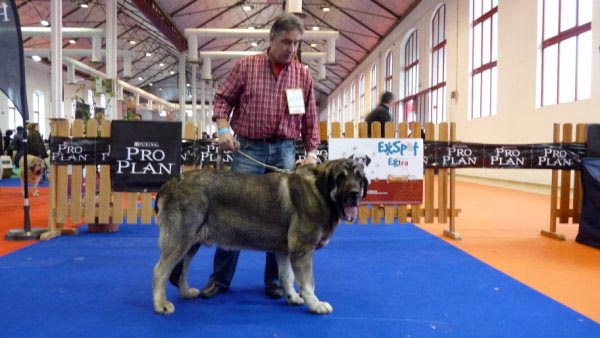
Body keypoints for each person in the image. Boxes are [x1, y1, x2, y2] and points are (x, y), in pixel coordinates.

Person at [169, 13, 320, 300]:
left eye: (296, 43)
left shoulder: (303, 74)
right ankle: (220, 280)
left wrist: (311, 152)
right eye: (286, 42)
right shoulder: (246, 67)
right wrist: (223, 128)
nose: (291, 48)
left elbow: (310, 118)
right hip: (248, 149)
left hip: (286, 150)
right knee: (231, 215)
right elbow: (222, 99)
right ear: (272, 39)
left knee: (282, 221)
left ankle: (276, 282)